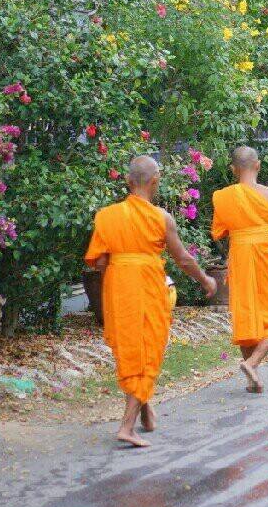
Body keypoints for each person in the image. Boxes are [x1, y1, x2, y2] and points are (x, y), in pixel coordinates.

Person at [86, 155, 217, 448]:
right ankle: (126, 427)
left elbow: (100, 262)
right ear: (155, 182)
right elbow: (182, 258)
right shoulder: (161, 217)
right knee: (146, 350)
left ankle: (145, 412)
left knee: (132, 349)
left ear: (128, 181)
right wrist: (206, 280)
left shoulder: (106, 216)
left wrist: (116, 280)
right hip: (145, 284)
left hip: (117, 285)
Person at [211, 145, 268, 394]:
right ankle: (252, 363)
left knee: (246, 310)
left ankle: (252, 378)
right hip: (266, 256)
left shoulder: (223, 196)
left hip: (240, 256)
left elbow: (219, 232)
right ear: (257, 165)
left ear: (233, 169)